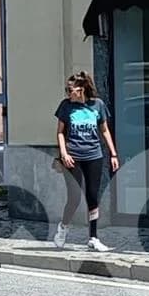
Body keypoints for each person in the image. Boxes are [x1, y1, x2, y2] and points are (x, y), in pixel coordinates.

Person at [52, 71, 119, 252]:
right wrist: (64, 153)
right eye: (67, 90)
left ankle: (93, 237)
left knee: (92, 196)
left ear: (81, 90)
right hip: (73, 157)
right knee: (74, 197)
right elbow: (59, 132)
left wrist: (113, 154)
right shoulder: (66, 106)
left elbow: (104, 131)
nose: (68, 93)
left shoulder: (98, 105)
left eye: (70, 90)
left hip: (94, 155)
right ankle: (63, 227)